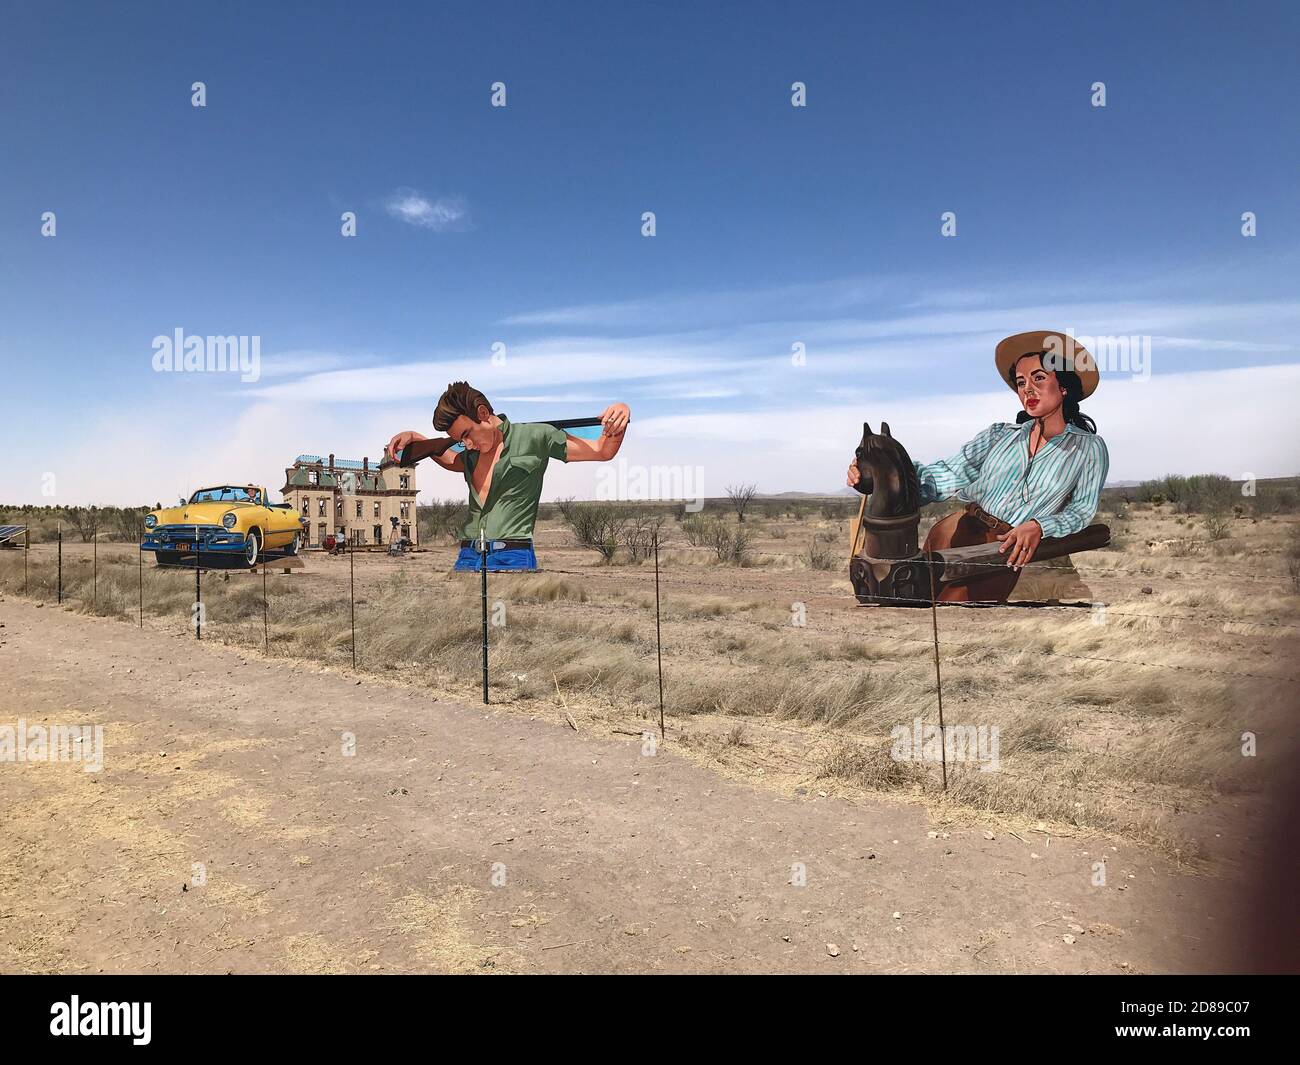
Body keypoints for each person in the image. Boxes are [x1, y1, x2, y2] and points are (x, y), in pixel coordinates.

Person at [847, 330, 1108, 600]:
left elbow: (1081, 509)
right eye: (1020, 382)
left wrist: (1039, 526)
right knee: (916, 604)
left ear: (1063, 386)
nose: (1027, 389)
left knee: (962, 619)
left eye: (1039, 378)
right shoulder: (999, 435)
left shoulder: (1088, 448)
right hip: (955, 530)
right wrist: (884, 474)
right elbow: (947, 474)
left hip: (1005, 546)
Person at [386, 381, 630, 571]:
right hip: (467, 556)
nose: (466, 444)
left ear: (482, 413)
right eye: (460, 439)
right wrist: (417, 438)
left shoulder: (536, 436)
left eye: (468, 434)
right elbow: (450, 459)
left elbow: (601, 450)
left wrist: (621, 413)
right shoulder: (469, 455)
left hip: (513, 556)